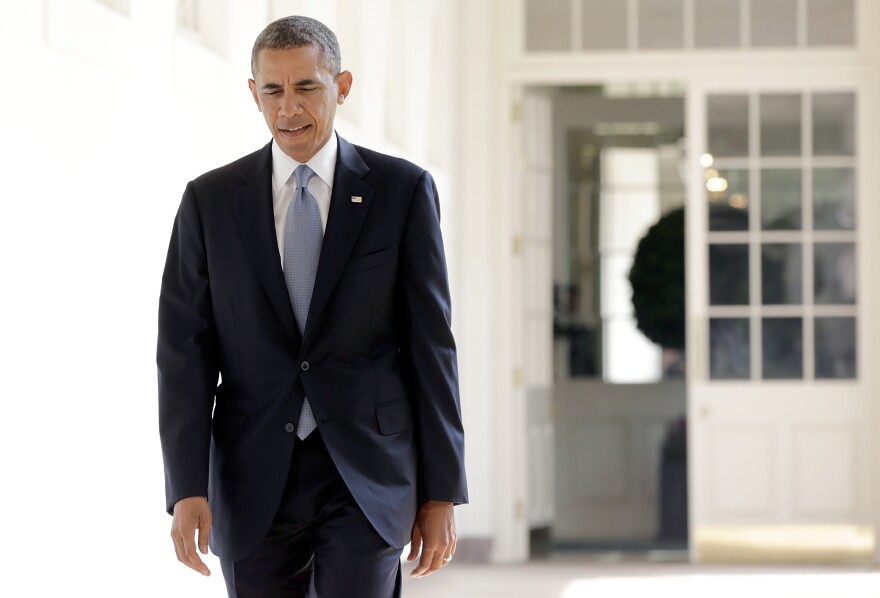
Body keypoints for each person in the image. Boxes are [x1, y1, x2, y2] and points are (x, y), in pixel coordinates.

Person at [157, 15, 467, 597]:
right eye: (272, 90)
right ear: (253, 93)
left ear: (341, 86)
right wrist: (186, 486)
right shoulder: (209, 202)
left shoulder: (402, 192)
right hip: (251, 475)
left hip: (367, 474)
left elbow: (432, 347)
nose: (288, 108)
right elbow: (183, 354)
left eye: (307, 87)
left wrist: (441, 491)